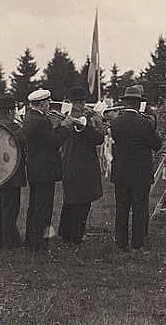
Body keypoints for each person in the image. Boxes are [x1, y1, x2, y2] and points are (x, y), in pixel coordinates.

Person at [110, 85, 162, 250]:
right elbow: (156, 145)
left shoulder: (116, 122)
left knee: (122, 207)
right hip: (140, 172)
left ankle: (121, 241)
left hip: (121, 171)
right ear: (138, 103)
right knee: (139, 207)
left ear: (125, 103)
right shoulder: (144, 123)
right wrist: (154, 126)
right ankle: (137, 243)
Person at [21, 89, 70, 252]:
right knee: (44, 208)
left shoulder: (30, 118)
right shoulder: (41, 121)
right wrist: (64, 127)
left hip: (36, 169)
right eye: (48, 102)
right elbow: (54, 142)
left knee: (35, 206)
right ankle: (39, 244)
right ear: (42, 103)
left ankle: (31, 240)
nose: (49, 105)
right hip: (45, 170)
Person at [58, 87, 105, 245]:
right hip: (84, 166)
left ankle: (65, 234)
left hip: (68, 163)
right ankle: (75, 236)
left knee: (70, 200)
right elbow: (98, 138)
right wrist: (98, 122)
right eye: (82, 102)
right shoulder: (80, 119)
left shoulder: (67, 117)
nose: (83, 105)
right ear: (78, 102)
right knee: (83, 202)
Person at [0, 96, 26, 249]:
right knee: (10, 209)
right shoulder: (14, 127)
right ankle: (11, 242)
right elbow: (24, 142)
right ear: (11, 111)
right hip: (11, 173)